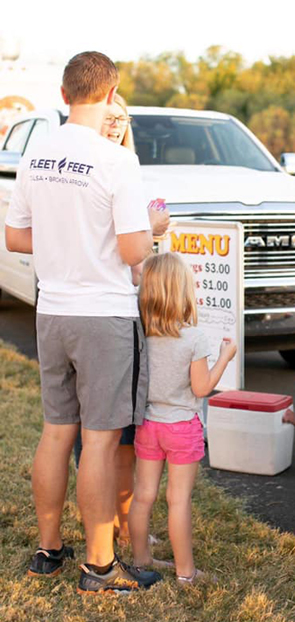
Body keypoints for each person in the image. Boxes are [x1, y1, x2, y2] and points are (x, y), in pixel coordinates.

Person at [5, 51, 169, 594]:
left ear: (63, 92)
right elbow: (131, 250)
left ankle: (48, 549)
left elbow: (16, 238)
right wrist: (154, 226)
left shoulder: (36, 153)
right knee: (98, 442)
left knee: (57, 432)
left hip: (50, 311)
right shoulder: (115, 161)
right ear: (110, 93)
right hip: (102, 316)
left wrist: (68, 237)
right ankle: (100, 566)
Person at [128, 252, 237, 584]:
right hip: (181, 429)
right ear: (183, 292)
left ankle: (141, 559)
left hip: (148, 425)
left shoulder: (142, 334)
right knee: (178, 500)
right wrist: (224, 357)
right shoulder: (194, 338)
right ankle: (186, 573)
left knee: (143, 494)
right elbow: (202, 387)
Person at [73, 92, 141, 546]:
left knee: (125, 433)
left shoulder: (129, 165)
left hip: (128, 304)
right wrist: (148, 236)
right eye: (109, 116)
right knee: (102, 431)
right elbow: (130, 248)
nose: (115, 124)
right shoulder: (96, 167)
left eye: (122, 119)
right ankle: (103, 535)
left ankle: (125, 522)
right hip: (105, 310)